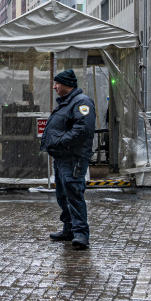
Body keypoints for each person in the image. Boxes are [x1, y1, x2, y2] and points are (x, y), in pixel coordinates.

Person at [40, 69, 96, 249]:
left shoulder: (82, 103)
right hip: (62, 157)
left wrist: (60, 141)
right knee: (63, 196)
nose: (54, 87)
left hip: (73, 158)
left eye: (57, 84)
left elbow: (82, 129)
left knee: (74, 193)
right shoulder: (67, 103)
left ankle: (81, 234)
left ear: (67, 84)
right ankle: (69, 229)